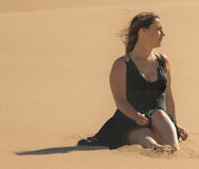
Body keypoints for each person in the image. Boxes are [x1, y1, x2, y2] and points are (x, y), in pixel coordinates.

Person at [78, 12, 187, 150]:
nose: (163, 33)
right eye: (158, 29)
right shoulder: (121, 64)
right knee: (144, 134)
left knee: (159, 114)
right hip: (129, 122)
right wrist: (136, 117)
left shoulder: (163, 61)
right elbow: (120, 100)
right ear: (142, 31)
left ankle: (172, 150)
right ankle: (157, 150)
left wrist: (174, 124)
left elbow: (169, 96)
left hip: (160, 120)